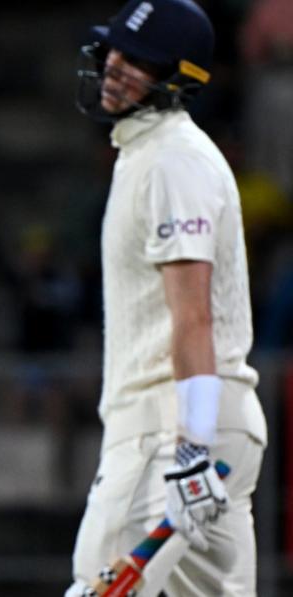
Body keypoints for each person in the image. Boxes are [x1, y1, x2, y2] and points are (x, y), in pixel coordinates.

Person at [66, 1, 268, 596]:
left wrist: (191, 450)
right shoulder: (150, 154)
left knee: (96, 590)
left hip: (170, 430)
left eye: (140, 62)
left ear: (179, 78)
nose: (115, 69)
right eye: (116, 53)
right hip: (198, 429)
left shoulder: (172, 161)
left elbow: (193, 313)